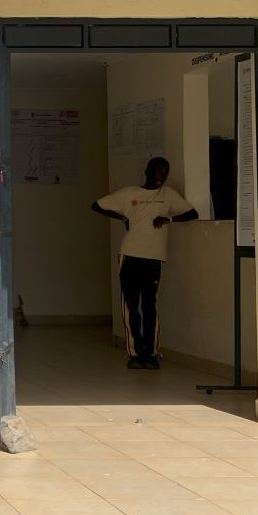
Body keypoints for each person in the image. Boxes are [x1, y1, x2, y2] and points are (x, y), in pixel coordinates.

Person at [91, 157, 198, 369]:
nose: (161, 176)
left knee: (150, 306)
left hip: (154, 257)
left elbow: (192, 214)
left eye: (165, 172)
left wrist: (168, 219)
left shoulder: (168, 195)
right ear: (147, 170)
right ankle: (134, 353)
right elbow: (97, 205)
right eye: (158, 171)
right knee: (131, 306)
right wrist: (122, 218)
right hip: (129, 255)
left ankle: (151, 353)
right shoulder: (130, 193)